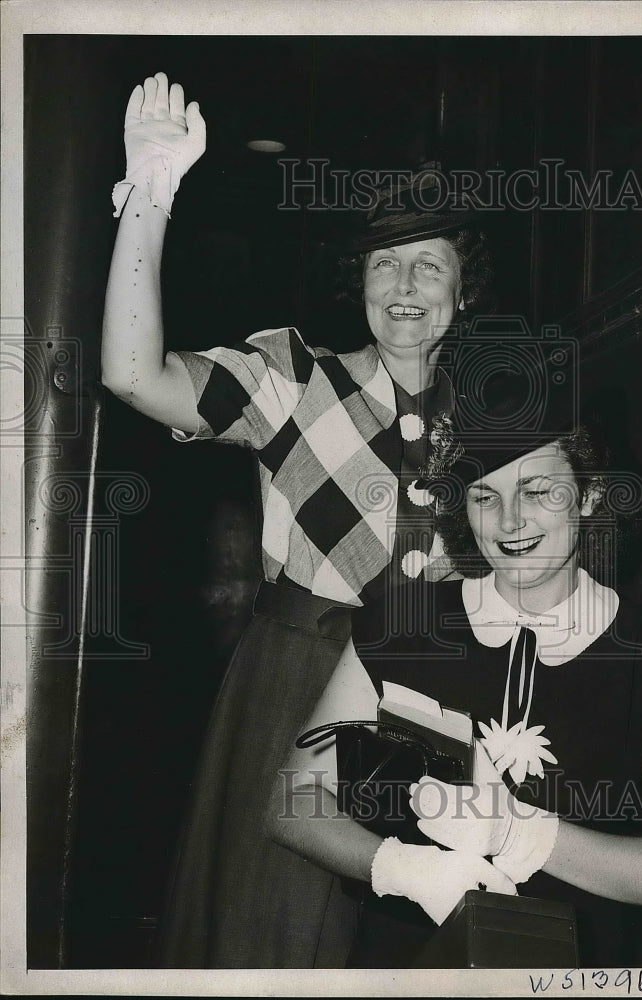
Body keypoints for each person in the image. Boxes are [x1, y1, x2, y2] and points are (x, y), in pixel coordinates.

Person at [100, 73, 495, 967]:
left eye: (429, 263)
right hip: (295, 683)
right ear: (355, 280)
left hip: (437, 701)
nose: (403, 285)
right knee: (268, 939)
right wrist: (150, 194)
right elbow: (133, 374)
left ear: (464, 292)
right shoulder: (290, 375)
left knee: (407, 943)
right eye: (382, 264)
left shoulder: (493, 424)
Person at [268, 367, 642, 968]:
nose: (509, 520)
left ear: (589, 496)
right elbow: (291, 799)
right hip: (408, 969)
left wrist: (520, 834)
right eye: (485, 495)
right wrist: (401, 868)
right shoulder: (403, 622)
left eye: (538, 491)